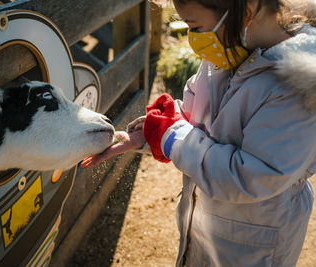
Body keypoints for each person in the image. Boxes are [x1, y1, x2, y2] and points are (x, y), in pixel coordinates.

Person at [81, 0, 316, 266]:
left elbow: (252, 176)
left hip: (253, 244)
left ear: (246, 13)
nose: (195, 38)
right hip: (208, 223)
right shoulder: (228, 51)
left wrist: (171, 135)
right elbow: (194, 120)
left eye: (196, 26)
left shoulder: (296, 86)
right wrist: (153, 133)